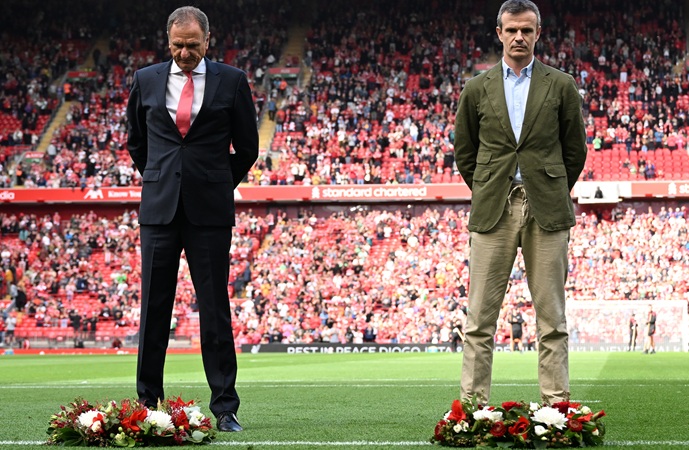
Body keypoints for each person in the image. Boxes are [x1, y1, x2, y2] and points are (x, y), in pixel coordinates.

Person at [126, 6, 258, 433]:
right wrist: (162, 178)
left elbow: (248, 147)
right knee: (153, 310)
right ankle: (147, 404)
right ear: (168, 41)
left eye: (193, 45)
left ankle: (225, 408)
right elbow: (136, 142)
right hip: (159, 211)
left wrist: (215, 183)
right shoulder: (146, 79)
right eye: (178, 45)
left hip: (210, 213)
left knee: (215, 310)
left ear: (208, 40)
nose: (185, 53)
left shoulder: (232, 81)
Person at [454, 0, 587, 405]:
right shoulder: (476, 88)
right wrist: (489, 187)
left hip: (546, 209)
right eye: (511, 30)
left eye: (526, 30)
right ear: (499, 33)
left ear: (538, 33)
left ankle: (557, 409)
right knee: (479, 320)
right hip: (493, 210)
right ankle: (472, 410)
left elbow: (575, 151)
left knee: (552, 320)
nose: (519, 37)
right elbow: (465, 152)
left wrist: (548, 187)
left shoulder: (560, 84)